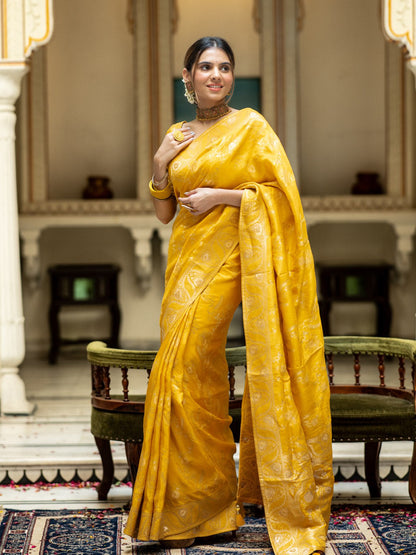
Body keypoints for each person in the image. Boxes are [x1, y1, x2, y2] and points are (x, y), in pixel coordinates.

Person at [124, 36, 333, 555]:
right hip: (184, 265)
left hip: (228, 262)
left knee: (190, 362)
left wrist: (222, 196)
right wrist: (157, 168)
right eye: (205, 67)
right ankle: (198, 508)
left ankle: (209, 504)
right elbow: (165, 212)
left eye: (224, 67)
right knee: (186, 375)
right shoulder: (177, 135)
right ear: (188, 77)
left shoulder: (252, 128)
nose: (215, 75)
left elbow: (281, 197)